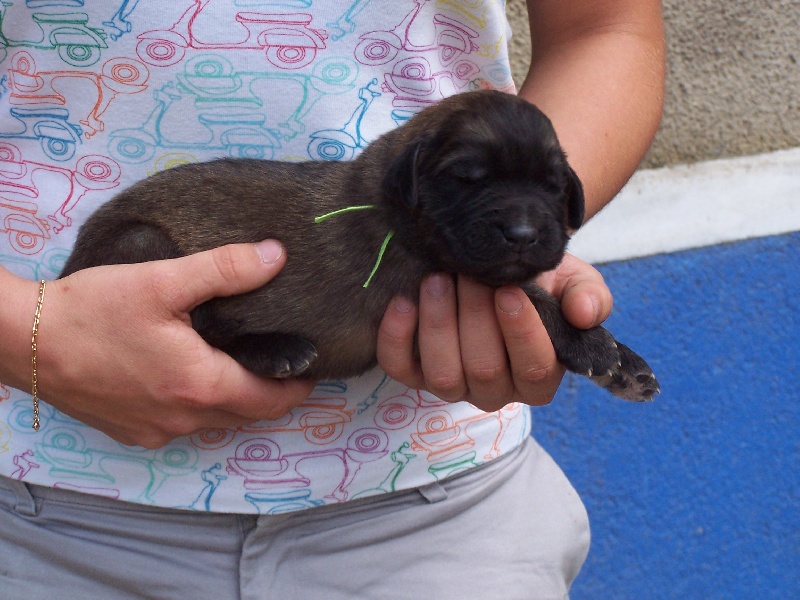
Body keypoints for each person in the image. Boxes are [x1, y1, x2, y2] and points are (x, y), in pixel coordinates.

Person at [0, 1, 664, 597]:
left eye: (547, 191)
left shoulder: (430, 230)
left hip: (433, 499)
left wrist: (538, 291)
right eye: (470, 180)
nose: (522, 224)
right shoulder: (376, 217)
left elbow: (606, 27)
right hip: (48, 500)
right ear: (410, 179)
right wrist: (30, 335)